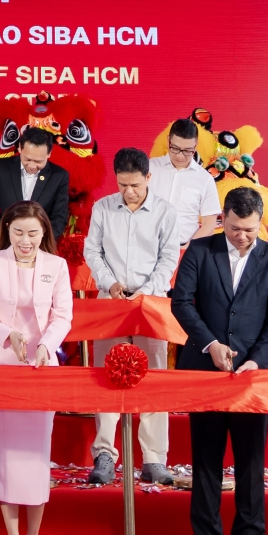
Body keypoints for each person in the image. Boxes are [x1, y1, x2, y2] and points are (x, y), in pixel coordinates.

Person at [172, 184, 268, 535]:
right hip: (205, 372)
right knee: (205, 465)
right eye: (236, 228)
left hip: (251, 377)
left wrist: (257, 358)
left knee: (250, 466)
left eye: (250, 230)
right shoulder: (200, 251)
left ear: (260, 223)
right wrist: (210, 344)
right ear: (223, 219)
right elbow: (181, 302)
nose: (242, 237)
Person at [0, 201, 73, 535]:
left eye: (32, 233)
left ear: (44, 232)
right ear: (7, 231)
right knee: (5, 458)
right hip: (0, 367)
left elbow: (63, 316)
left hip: (41, 369)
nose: (25, 240)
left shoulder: (56, 266)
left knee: (35, 457)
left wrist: (47, 344)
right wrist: (6, 334)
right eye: (18, 233)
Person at [82, 146, 184, 487]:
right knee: (105, 377)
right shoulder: (103, 208)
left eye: (135, 185)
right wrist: (109, 283)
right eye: (123, 185)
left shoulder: (166, 212)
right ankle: (105, 454)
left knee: (154, 377)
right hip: (111, 304)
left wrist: (147, 291)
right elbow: (92, 251)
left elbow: (169, 258)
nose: (129, 192)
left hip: (150, 306)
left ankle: (154, 458)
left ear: (148, 178)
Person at [0, 126, 72, 245]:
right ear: (20, 148)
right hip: (4, 243)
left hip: (39, 246)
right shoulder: (1, 168)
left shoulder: (59, 176)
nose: (32, 166)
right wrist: (4, 234)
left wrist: (41, 242)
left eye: (38, 161)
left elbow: (59, 217)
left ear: (49, 153)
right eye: (27, 159)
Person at [150, 117, 224, 251]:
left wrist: (189, 247)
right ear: (168, 141)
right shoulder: (150, 168)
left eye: (187, 151)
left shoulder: (205, 179)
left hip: (184, 249)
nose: (180, 156)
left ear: (196, 146)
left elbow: (209, 224)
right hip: (147, 247)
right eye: (175, 148)